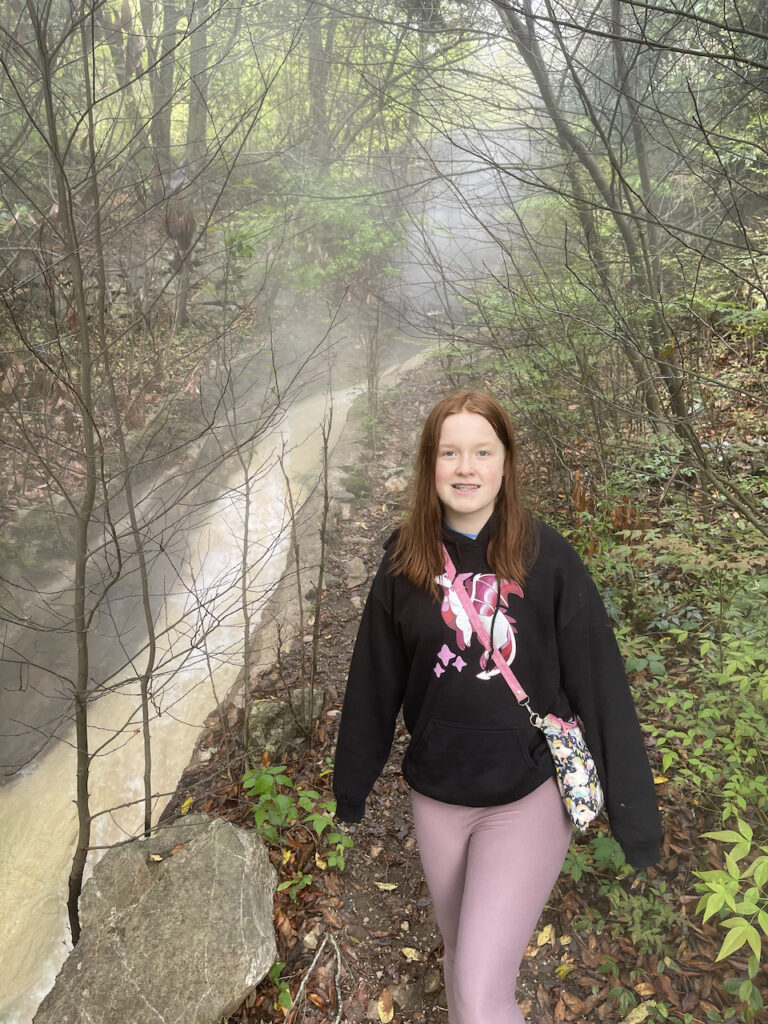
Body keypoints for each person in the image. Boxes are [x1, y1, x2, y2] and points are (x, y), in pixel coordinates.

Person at [333, 391, 662, 1024]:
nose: (466, 467)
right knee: (464, 970)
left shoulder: (550, 560)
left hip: (525, 796)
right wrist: (353, 786)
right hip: (438, 798)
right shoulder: (404, 565)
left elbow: (602, 687)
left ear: (505, 464)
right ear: (430, 465)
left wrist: (635, 820)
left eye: (482, 451)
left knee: (481, 996)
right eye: (449, 452)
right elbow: (373, 682)